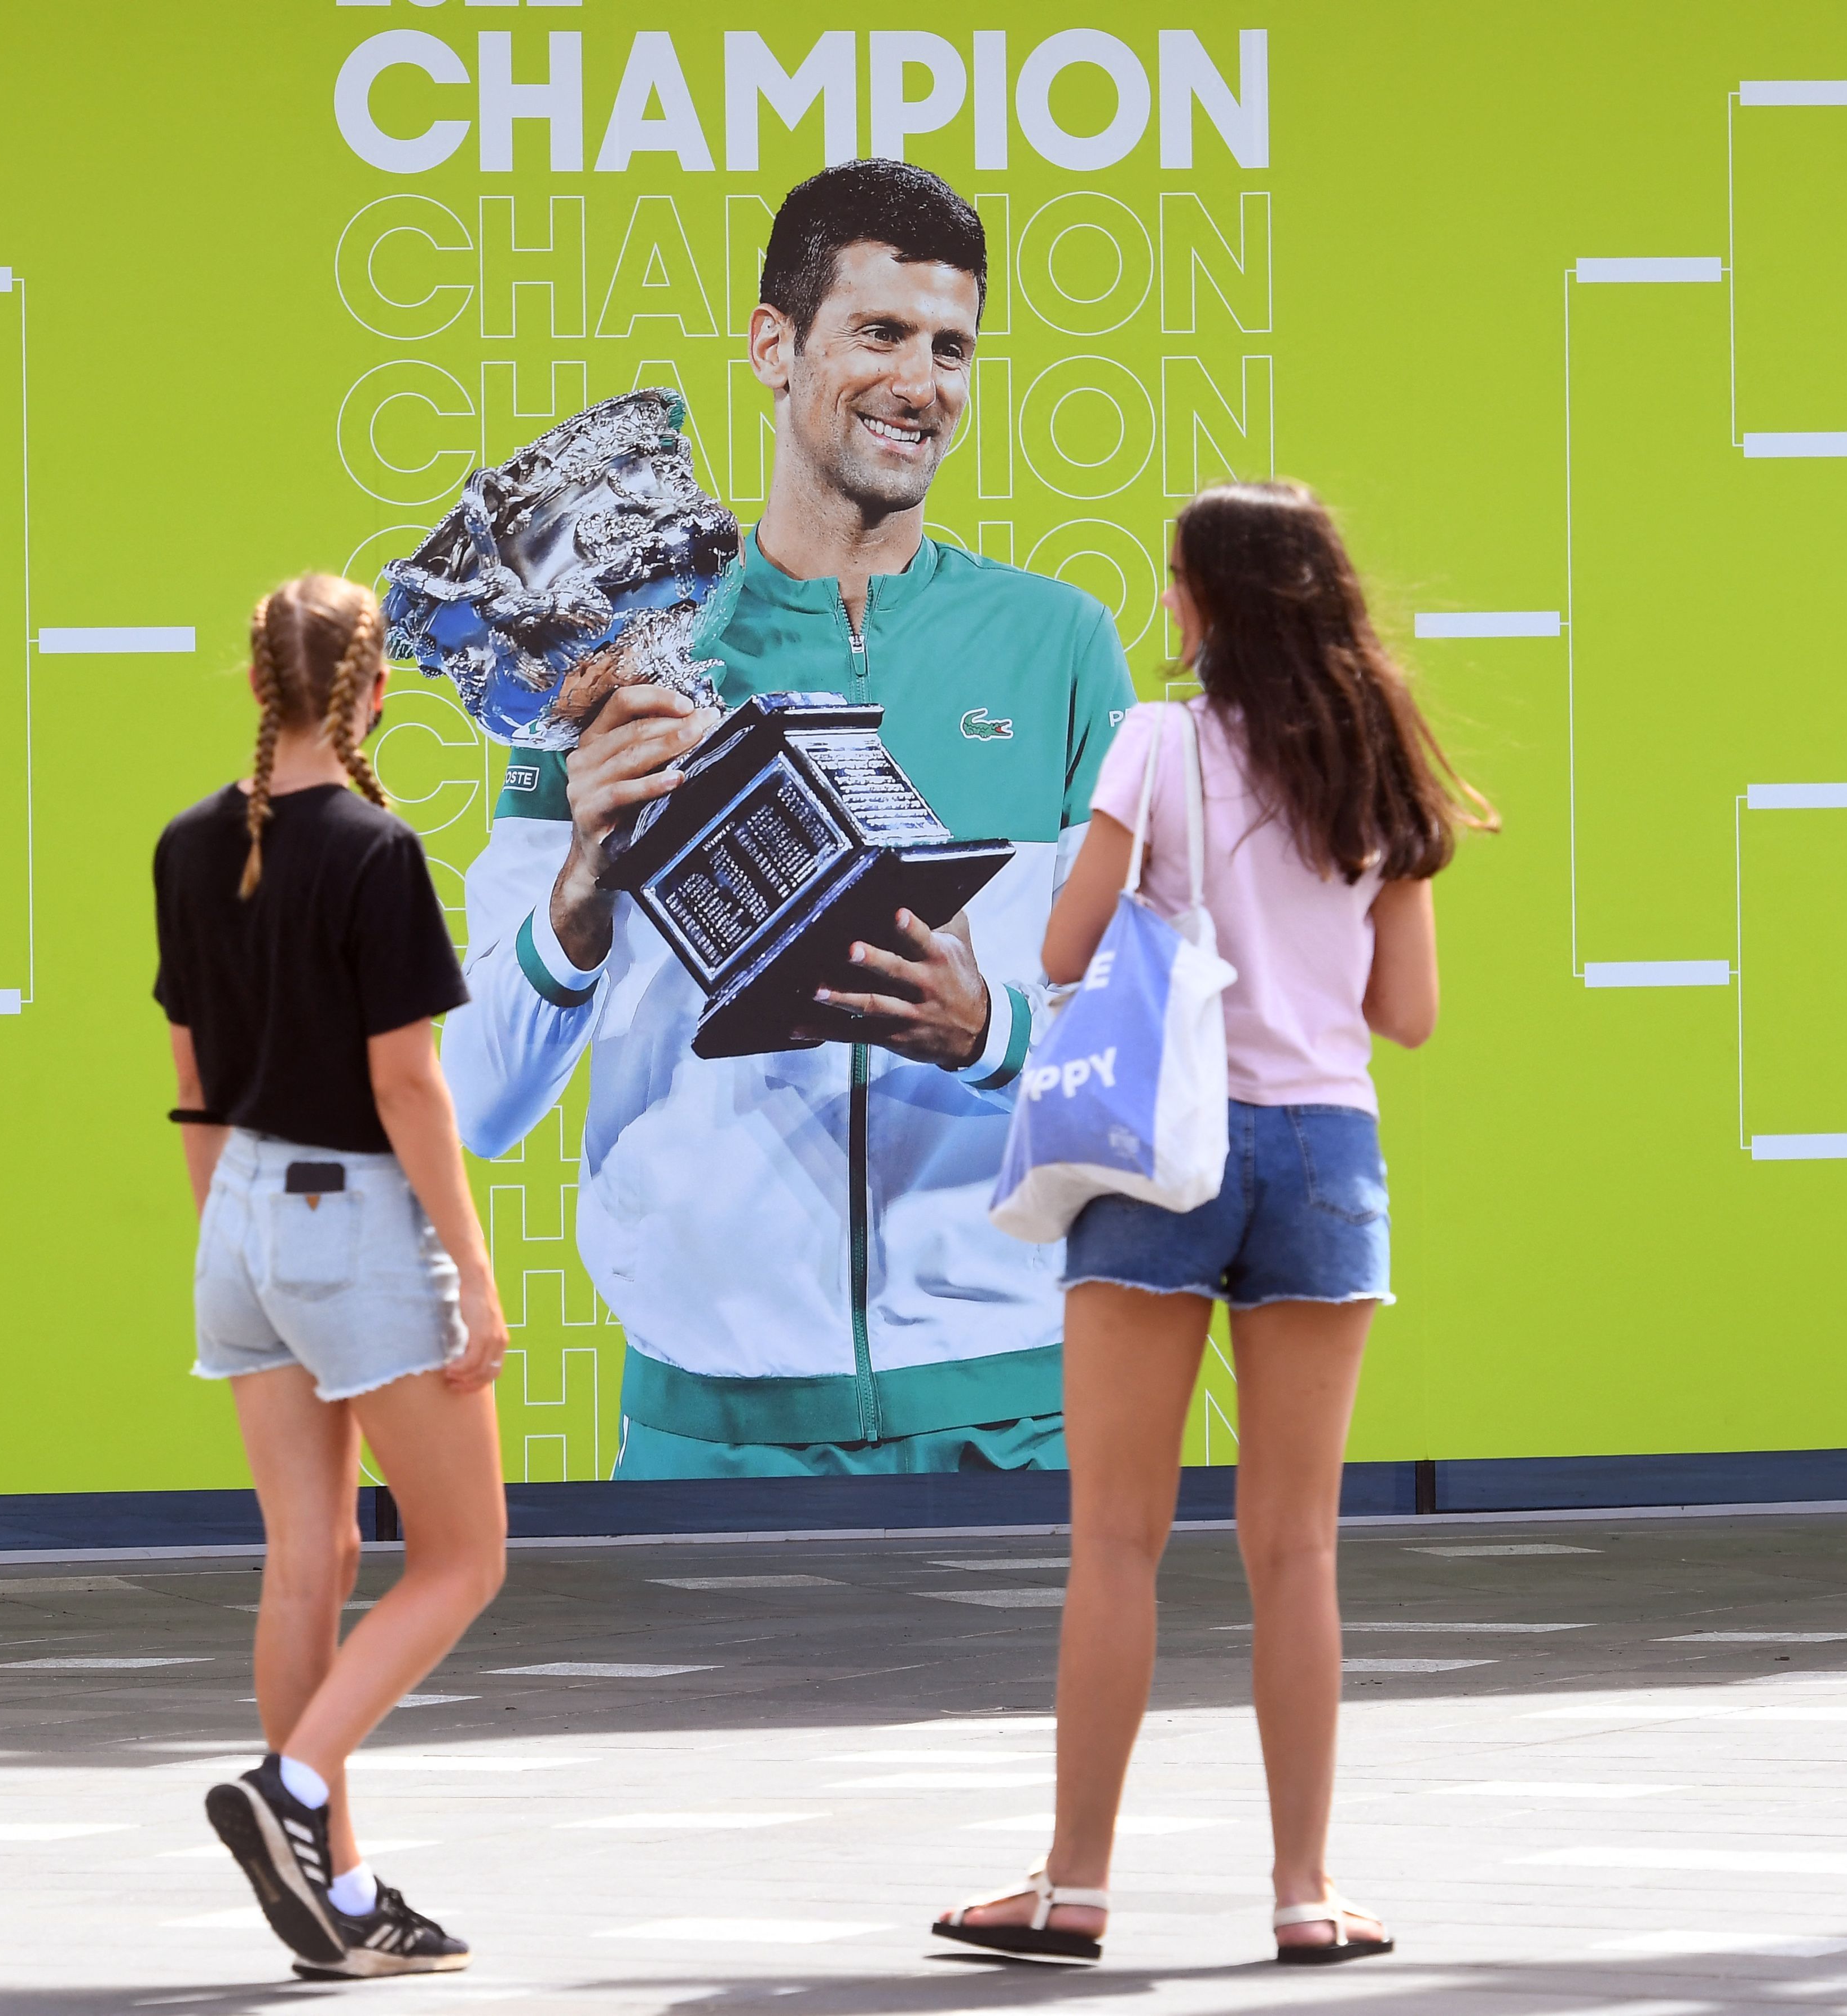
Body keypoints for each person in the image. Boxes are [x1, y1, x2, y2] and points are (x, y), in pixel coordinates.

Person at [444, 159, 1136, 1478]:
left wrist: (991, 1034)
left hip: (1011, 1415)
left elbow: (1152, 1054)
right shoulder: (612, 661)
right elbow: (477, 1096)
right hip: (713, 1428)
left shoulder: (1058, 648)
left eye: (951, 347)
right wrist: (581, 890)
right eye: (878, 333)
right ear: (773, 344)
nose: (921, 383)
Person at [933, 482, 1492, 1965]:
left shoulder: (1156, 742)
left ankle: (1072, 1885)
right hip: (1324, 1153)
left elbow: (1060, 950)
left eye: (1173, 584)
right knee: (1293, 1545)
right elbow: (1407, 1015)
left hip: (1160, 1146)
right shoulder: (1377, 766)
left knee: (1115, 1536)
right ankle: (1305, 1890)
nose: (1165, 607)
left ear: (1207, 602)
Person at [153, 572, 511, 1978]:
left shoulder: (190, 843)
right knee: (465, 1554)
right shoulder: (378, 848)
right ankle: (293, 1792)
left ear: (259, 686)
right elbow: (408, 1086)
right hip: (350, 1212)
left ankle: (340, 1897)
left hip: (240, 1209)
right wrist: (475, 1276)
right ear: (373, 693)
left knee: (310, 1556)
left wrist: (225, 1233)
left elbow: (188, 1074)